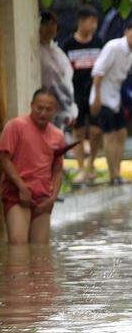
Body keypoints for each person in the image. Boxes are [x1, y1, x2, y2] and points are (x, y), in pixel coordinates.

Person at [0, 89, 66, 244]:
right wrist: (22, 187)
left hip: (43, 198)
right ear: (31, 106)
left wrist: (52, 198)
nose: (43, 113)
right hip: (17, 194)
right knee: (18, 247)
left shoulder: (58, 136)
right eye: (39, 108)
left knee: (40, 253)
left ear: (55, 111)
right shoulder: (15, 126)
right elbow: (4, 158)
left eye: (48, 109)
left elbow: (57, 170)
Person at [89, 19, 132, 184]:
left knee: (121, 133)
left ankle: (118, 172)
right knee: (110, 134)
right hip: (103, 95)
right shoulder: (113, 47)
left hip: (116, 96)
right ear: (126, 32)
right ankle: (113, 175)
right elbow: (98, 72)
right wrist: (97, 98)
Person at [61, 5, 103, 184]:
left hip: (94, 92)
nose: (93, 26)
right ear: (81, 21)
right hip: (75, 93)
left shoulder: (99, 42)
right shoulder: (68, 44)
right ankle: (79, 167)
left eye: (95, 22)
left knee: (95, 131)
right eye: (90, 22)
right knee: (78, 131)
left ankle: (91, 164)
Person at [38, 10, 77, 131]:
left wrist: (72, 109)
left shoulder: (58, 52)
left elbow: (67, 81)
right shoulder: (37, 51)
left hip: (63, 105)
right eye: (46, 24)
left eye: (53, 24)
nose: (50, 28)